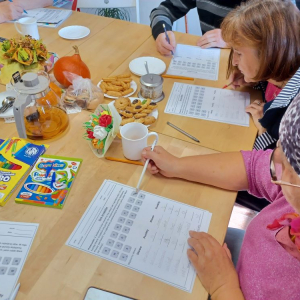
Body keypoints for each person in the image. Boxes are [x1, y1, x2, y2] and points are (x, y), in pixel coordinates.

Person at [141, 67, 300, 300]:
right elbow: (254, 168)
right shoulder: (291, 190)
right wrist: (178, 165)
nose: (273, 164)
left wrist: (223, 287)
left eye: (283, 166)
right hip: (243, 261)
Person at [150, 0, 297, 55]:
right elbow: (161, 12)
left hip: (248, 70)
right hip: (210, 60)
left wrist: (233, 40)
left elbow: (283, 41)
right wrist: (161, 31)